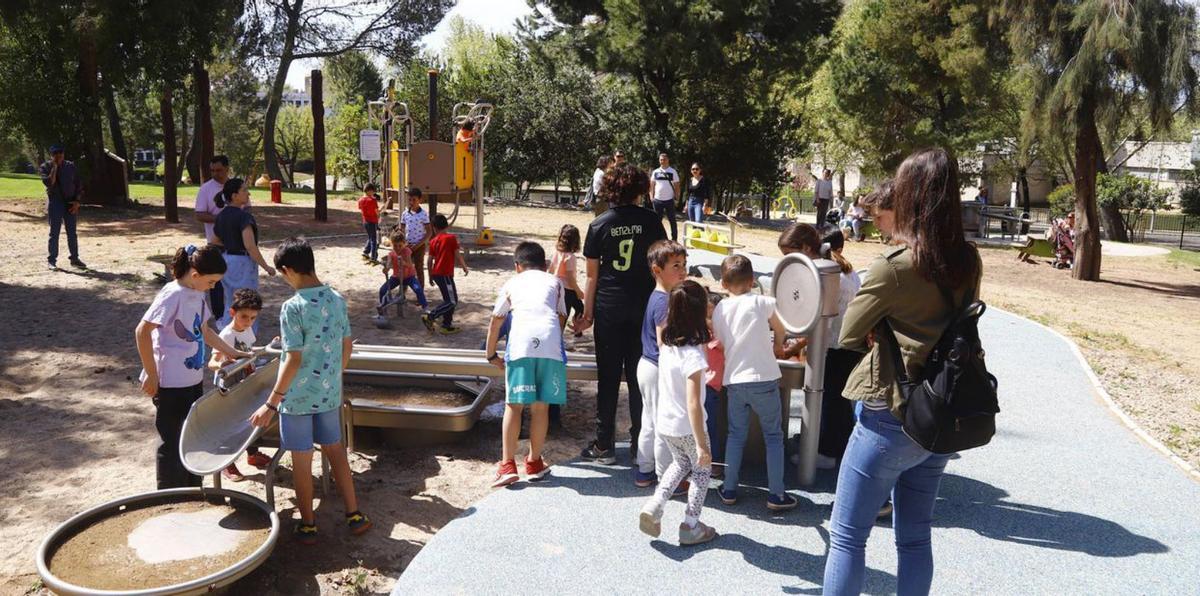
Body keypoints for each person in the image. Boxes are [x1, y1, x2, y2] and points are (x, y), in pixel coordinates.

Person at [822, 148, 982, 595]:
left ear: (910, 197)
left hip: (889, 413)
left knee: (848, 536)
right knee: (914, 537)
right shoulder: (968, 259)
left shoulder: (894, 267)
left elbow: (849, 331)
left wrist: (882, 328)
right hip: (937, 412)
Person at [249, 237, 372, 544]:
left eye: (283, 276)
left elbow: (293, 357)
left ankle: (308, 524)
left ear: (288, 270)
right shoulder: (336, 298)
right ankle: (354, 515)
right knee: (336, 453)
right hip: (328, 394)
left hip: (296, 400)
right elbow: (346, 346)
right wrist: (334, 375)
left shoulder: (293, 307)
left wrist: (272, 402)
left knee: (301, 460)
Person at [134, 245, 249, 489]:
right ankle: (169, 495)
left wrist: (234, 352)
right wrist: (151, 374)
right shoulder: (172, 294)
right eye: (211, 281)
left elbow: (205, 331)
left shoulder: (197, 293)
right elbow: (142, 331)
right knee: (172, 440)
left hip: (192, 379)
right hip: (169, 382)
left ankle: (193, 488)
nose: (214, 286)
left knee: (191, 436)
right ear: (195, 274)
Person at [575, 163, 667, 464]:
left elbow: (591, 276)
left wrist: (586, 314)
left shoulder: (600, 224)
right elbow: (662, 266)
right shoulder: (652, 221)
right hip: (644, 307)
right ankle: (640, 442)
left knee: (609, 377)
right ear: (641, 188)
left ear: (612, 188)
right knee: (642, 377)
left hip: (609, 307)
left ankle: (604, 445)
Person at [712, 254, 797, 511]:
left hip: (735, 380)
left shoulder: (720, 308)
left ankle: (729, 488)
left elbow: (723, 341)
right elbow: (780, 328)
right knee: (773, 436)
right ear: (752, 280)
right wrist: (779, 345)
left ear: (723, 284)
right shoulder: (764, 302)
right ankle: (776, 494)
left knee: (736, 435)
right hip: (764, 379)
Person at [637, 280, 718, 546]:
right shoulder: (693, 355)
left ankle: (655, 504)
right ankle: (691, 525)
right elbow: (693, 403)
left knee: (680, 464)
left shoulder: (668, 347)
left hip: (667, 423)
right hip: (688, 426)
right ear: (698, 313)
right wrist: (701, 444)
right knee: (701, 472)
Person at [486, 241, 568, 487]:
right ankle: (533, 462)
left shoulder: (512, 283)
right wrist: (553, 340)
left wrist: (491, 355)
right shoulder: (555, 282)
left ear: (517, 266)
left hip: (521, 345)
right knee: (540, 408)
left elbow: (496, 321)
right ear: (544, 265)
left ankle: (507, 464)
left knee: (515, 406)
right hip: (550, 345)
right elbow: (562, 315)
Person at [634, 240, 688, 490]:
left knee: (650, 420)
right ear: (657, 270)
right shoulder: (665, 301)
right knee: (662, 425)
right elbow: (664, 340)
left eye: (684, 264)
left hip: (646, 364)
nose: (682, 270)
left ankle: (645, 470)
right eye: (676, 265)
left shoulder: (658, 296)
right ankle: (666, 477)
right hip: (658, 367)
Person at [206, 288, 273, 481]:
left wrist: (267, 347)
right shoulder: (227, 334)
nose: (249, 321)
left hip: (245, 378)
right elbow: (212, 362)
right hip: (230, 383)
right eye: (244, 317)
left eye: (253, 318)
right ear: (232, 313)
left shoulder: (247, 329)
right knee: (231, 423)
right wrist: (223, 365)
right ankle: (227, 464)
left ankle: (252, 454)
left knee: (250, 418)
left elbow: (248, 351)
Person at [814, 225, 863, 470]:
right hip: (853, 343)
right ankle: (838, 446)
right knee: (841, 401)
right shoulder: (850, 272)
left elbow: (825, 315)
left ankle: (829, 452)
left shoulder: (831, 274)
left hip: (837, 344)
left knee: (832, 400)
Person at [212, 178, 276, 330]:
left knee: (230, 300)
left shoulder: (221, 216)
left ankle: (227, 333)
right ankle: (246, 336)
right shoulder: (244, 217)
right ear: (234, 195)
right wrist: (266, 267)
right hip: (243, 263)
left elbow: (215, 240)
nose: (248, 193)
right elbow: (250, 246)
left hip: (226, 260)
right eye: (244, 190)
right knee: (248, 302)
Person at [194, 155, 233, 316]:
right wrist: (221, 219)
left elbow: (248, 208)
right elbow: (199, 214)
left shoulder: (237, 186)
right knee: (215, 282)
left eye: (219, 170)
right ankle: (218, 315)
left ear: (227, 169)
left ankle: (235, 312)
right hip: (215, 244)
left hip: (236, 244)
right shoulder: (206, 189)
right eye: (212, 171)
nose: (216, 173)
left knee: (234, 280)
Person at [40, 144, 85, 270]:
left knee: (72, 233)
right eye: (56, 153)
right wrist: (54, 167)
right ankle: (52, 261)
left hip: (70, 203)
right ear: (51, 155)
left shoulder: (70, 166)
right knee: (54, 233)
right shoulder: (46, 167)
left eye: (61, 153)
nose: (59, 155)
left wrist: (77, 201)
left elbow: (78, 184)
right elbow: (49, 183)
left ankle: (74, 259)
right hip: (55, 203)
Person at [422, 214, 469, 335]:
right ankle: (431, 316)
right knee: (452, 301)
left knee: (448, 299)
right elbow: (457, 254)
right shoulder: (451, 238)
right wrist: (464, 267)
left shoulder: (433, 241)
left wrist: (430, 275)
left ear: (434, 227)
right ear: (446, 225)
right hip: (445, 274)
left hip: (437, 274)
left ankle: (446, 325)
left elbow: (429, 260)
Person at [379, 230, 428, 313]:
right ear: (391, 244)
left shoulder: (407, 251)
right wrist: (386, 269)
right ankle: (382, 307)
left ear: (404, 243)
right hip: (396, 277)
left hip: (409, 276)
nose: (397, 248)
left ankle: (425, 308)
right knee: (382, 290)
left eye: (400, 245)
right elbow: (389, 264)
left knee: (418, 289)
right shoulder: (391, 254)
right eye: (395, 246)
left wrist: (403, 263)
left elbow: (409, 264)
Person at [704, 291, 725, 478]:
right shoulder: (705, 336)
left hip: (710, 387)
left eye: (711, 317)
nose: (707, 320)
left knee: (711, 427)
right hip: (702, 386)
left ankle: (716, 463)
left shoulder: (718, 339)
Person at [549, 224, 585, 336]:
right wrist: (578, 291)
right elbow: (570, 278)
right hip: (568, 290)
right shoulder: (570, 257)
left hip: (557, 286)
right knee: (564, 314)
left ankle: (577, 329)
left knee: (579, 307)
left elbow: (550, 269)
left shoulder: (557, 253)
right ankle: (558, 338)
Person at [400, 186, 433, 288]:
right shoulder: (405, 213)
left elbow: (429, 232)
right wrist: (404, 243)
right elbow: (401, 229)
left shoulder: (424, 215)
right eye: (410, 199)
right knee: (404, 268)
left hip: (420, 246)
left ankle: (420, 294)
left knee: (419, 269)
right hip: (407, 245)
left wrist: (419, 245)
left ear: (420, 200)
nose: (411, 202)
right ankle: (402, 292)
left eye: (414, 200)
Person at [649, 153, 681, 241]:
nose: (662, 161)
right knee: (657, 222)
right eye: (661, 160)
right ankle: (656, 239)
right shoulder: (655, 172)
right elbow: (652, 185)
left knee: (672, 221)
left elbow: (677, 186)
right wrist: (651, 197)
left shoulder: (673, 171)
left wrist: (677, 198)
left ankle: (674, 239)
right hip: (657, 200)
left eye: (664, 159)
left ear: (668, 160)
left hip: (669, 200)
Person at [358, 184, 381, 264]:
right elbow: (377, 212)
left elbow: (362, 210)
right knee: (374, 240)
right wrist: (380, 213)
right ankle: (373, 258)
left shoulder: (360, 200)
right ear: (370, 190)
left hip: (365, 221)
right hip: (372, 221)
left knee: (370, 237)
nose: (374, 192)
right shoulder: (372, 200)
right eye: (373, 191)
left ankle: (365, 252)